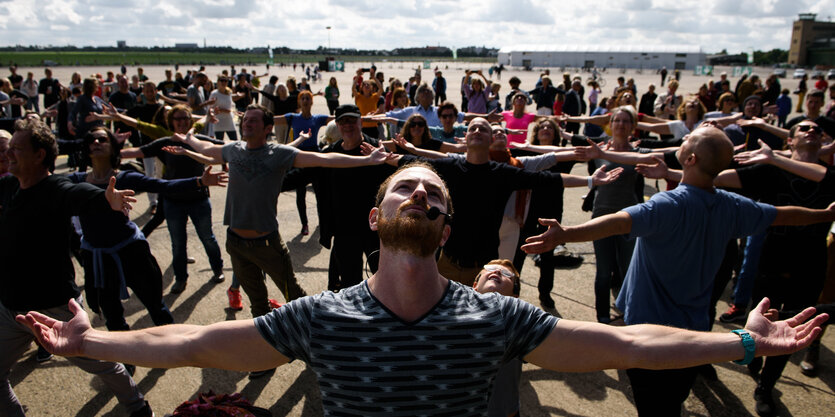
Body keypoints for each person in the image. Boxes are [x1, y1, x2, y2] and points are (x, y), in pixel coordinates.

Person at [16, 161, 829, 416]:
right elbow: (190, 340)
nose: (422, 194)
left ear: (446, 229)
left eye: (433, 195)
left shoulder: (495, 315)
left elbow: (625, 341)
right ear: (375, 217)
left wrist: (746, 340)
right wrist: (92, 341)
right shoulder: (318, 316)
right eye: (406, 187)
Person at [522, 124, 835, 416]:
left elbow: (616, 222)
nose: (682, 139)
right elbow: (782, 215)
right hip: (694, 330)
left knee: (651, 403)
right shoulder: (732, 206)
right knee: (672, 401)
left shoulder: (667, 204)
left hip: (648, 329)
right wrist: (824, 215)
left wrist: (566, 233)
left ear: (690, 158)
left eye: (687, 140)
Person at [169, 104, 393, 330]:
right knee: (264, 301)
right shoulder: (234, 150)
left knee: (300, 293)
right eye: (245, 119)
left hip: (283, 240)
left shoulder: (282, 154)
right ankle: (279, 346)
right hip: (247, 241)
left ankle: (333, 329)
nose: (246, 123)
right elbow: (207, 149)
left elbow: (326, 159)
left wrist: (368, 160)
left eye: (253, 120)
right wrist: (189, 141)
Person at [1, 118, 153, 417]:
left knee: (104, 364)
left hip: (54, 310)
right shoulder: (7, 186)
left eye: (17, 148)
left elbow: (83, 195)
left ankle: (137, 406)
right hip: (9, 310)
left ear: (39, 154)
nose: (9, 154)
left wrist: (108, 199)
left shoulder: (57, 188)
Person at [120, 105, 226, 294]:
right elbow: (137, 152)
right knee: (178, 243)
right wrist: (110, 150)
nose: (183, 122)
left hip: (199, 199)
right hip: (173, 201)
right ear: (171, 122)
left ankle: (217, 268)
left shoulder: (199, 141)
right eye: (178, 119)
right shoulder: (164, 143)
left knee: (207, 238)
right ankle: (180, 278)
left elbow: (224, 149)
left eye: (186, 118)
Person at [472, 260, 524, 417]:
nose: (497, 272)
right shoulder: (452, 316)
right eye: (490, 269)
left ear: (515, 296)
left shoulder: (520, 324)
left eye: (507, 274)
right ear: (474, 285)